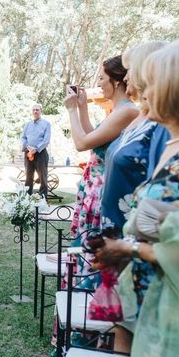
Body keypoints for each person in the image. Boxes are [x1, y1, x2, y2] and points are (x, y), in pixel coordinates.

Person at [92, 40, 179, 357]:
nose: (140, 92)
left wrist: (129, 247)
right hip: (153, 296)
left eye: (148, 84)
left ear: (174, 89)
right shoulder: (178, 143)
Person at [100, 41, 169, 352]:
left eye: (131, 71)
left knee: (131, 330)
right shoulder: (137, 118)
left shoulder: (161, 126)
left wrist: (131, 244)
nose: (125, 79)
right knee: (120, 324)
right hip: (117, 232)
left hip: (138, 241)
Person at [64, 55, 139, 289]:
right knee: (85, 249)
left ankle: (85, 307)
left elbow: (81, 143)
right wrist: (83, 106)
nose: (99, 83)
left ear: (117, 82)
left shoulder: (127, 111)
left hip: (102, 193)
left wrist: (72, 111)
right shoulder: (117, 111)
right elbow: (93, 138)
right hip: (93, 190)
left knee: (91, 252)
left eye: (102, 78)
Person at [20, 104, 51, 199]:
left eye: (37, 110)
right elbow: (23, 137)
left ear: (41, 111)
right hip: (28, 153)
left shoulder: (46, 124)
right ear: (31, 111)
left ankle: (42, 200)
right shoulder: (27, 124)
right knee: (28, 177)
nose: (35, 112)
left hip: (40, 153)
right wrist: (27, 147)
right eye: (33, 110)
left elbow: (46, 140)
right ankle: (27, 199)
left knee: (43, 178)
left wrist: (36, 149)